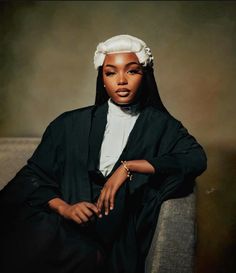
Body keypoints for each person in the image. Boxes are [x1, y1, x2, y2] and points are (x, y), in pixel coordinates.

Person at [0, 34, 207, 273]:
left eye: (132, 71)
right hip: (59, 225)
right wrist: (65, 208)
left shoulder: (162, 126)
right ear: (102, 77)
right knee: (33, 233)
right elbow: (32, 178)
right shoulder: (69, 124)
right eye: (111, 72)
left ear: (145, 75)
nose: (121, 81)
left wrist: (129, 167)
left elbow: (195, 158)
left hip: (109, 242)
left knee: (76, 253)